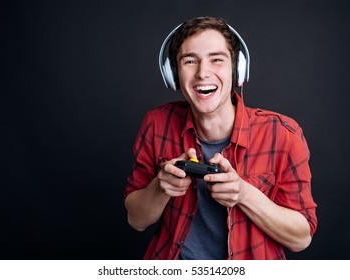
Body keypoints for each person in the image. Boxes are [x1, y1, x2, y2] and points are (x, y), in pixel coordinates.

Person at [124, 16, 317, 260]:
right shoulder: (157, 123)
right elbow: (136, 220)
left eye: (217, 60)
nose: (203, 73)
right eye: (190, 61)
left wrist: (244, 195)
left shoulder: (284, 135)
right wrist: (160, 187)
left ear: (237, 69)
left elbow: (301, 239)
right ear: (173, 75)